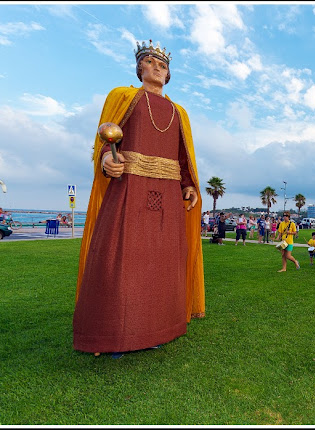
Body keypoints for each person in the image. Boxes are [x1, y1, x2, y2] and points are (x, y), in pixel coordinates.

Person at [74, 40, 204, 357]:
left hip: (169, 196)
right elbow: (107, 138)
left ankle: (162, 328)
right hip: (128, 187)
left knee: (164, 263)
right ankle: (113, 333)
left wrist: (188, 184)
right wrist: (107, 160)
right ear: (139, 68)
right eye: (151, 62)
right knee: (119, 259)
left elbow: (183, 155)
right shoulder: (124, 97)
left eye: (163, 65)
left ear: (169, 74)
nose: (157, 67)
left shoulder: (179, 112)